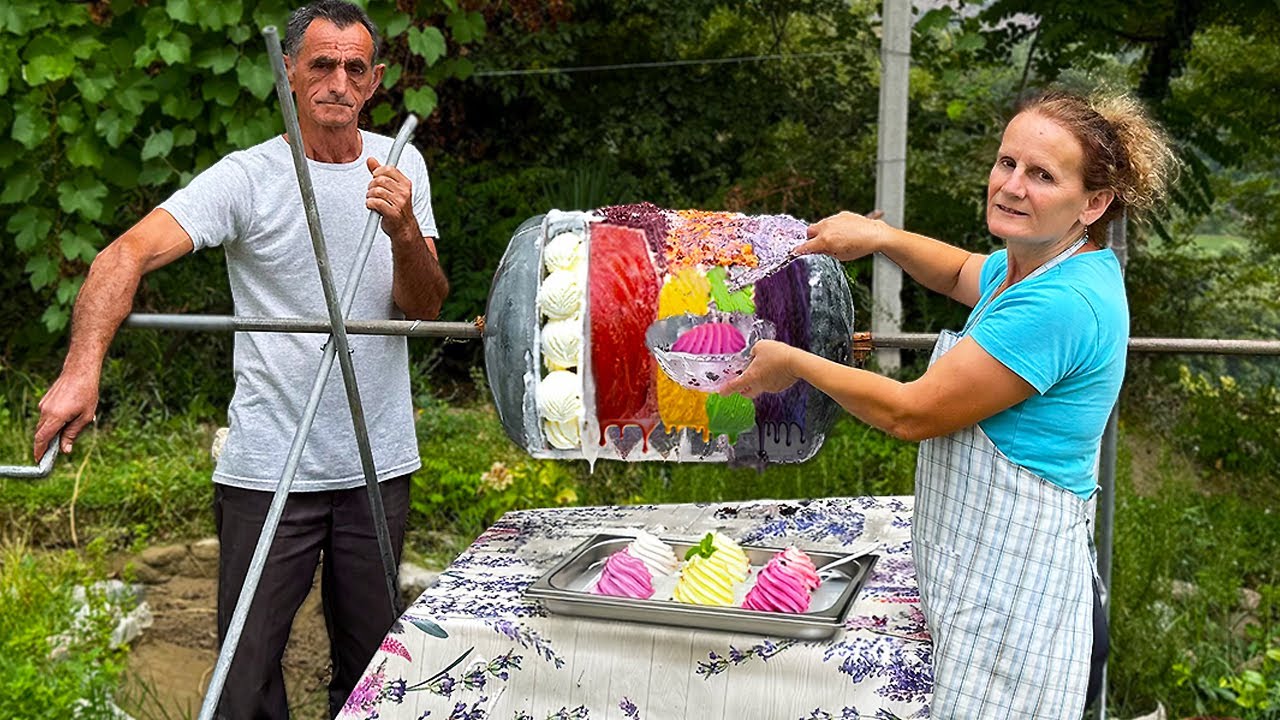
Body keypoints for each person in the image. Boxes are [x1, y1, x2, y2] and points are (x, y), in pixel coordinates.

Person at [32, 1, 448, 716]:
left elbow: (426, 308)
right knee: (244, 677)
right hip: (269, 464)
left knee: (376, 675)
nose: (338, 83)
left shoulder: (401, 165)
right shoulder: (248, 178)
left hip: (377, 464)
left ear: (375, 80)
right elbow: (123, 255)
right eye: (321, 64)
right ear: (288, 72)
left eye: (354, 68)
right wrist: (80, 371)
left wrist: (405, 230)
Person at [722, 89, 1176, 717]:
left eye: (1042, 175)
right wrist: (880, 236)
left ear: (1093, 203)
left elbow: (911, 412)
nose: (1011, 186)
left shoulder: (1061, 303)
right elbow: (961, 271)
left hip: (1018, 610)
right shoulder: (1038, 265)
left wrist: (793, 363)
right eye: (1007, 162)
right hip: (990, 582)